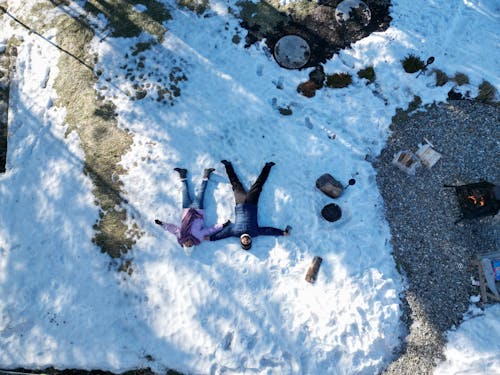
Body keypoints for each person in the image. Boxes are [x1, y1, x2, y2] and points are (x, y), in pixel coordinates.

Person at [209, 160, 291, 250]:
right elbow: (268, 231)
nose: (246, 241)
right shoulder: (255, 233)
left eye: (244, 243)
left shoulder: (235, 232)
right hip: (252, 203)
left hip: (240, 204)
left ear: (241, 241)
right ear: (250, 240)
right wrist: (282, 233)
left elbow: (223, 234)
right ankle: (267, 167)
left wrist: (211, 238)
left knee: (235, 184)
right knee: (258, 185)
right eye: (248, 242)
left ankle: (228, 166)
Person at [155, 167, 228, 248]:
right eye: (190, 245)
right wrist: (222, 226)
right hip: (198, 210)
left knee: (185, 192)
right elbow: (209, 230)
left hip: (186, 210)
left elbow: (173, 229)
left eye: (187, 245)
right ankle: (206, 175)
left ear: (184, 244)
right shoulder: (199, 238)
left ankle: (183, 174)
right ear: (193, 245)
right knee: (201, 192)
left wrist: (162, 224)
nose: (189, 244)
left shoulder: (181, 236)